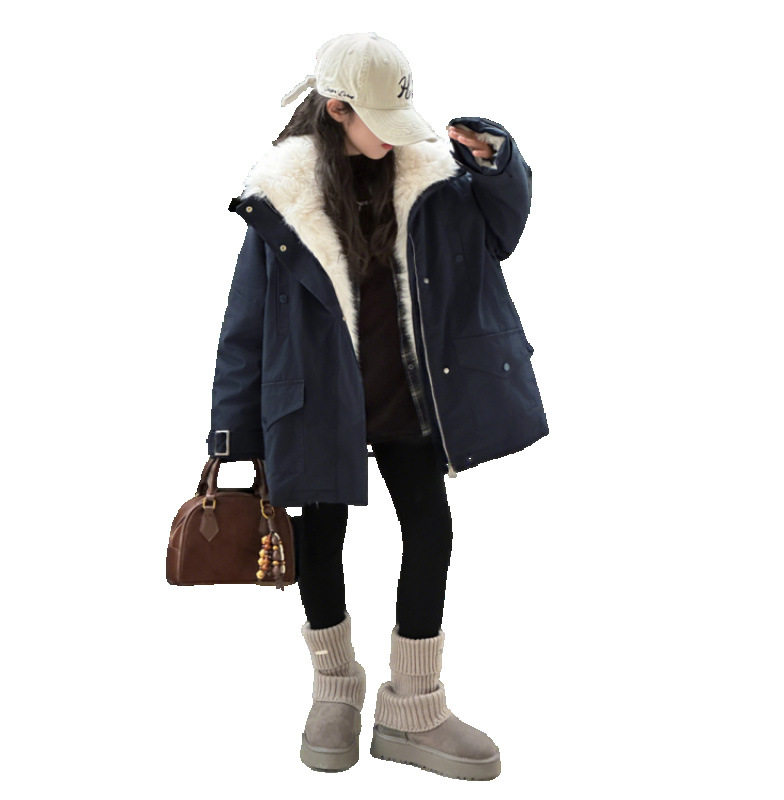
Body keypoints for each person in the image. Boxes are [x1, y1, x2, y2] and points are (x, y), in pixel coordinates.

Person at [206, 32, 548, 780]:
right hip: (316, 401)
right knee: (319, 540)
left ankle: (413, 707)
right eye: (379, 122)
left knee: (430, 530)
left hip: (409, 394)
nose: (395, 137)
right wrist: (230, 435)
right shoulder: (283, 196)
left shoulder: (435, 178)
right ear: (337, 110)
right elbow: (246, 323)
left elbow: (503, 230)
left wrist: (499, 162)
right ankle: (335, 690)